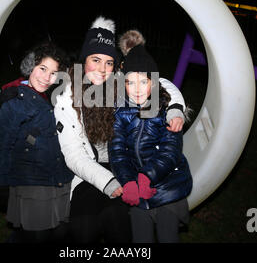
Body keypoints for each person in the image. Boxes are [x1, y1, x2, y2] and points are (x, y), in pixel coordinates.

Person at [53, 17, 188, 243]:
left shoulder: (120, 82)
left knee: (118, 222)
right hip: (87, 171)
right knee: (83, 229)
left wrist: (175, 109)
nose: (102, 69)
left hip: (124, 165)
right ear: (83, 60)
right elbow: (74, 154)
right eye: (95, 60)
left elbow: (159, 83)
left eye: (108, 63)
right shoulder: (66, 97)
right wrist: (108, 182)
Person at [109, 31, 193, 243]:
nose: (136, 90)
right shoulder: (120, 113)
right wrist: (128, 182)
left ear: (154, 83)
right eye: (130, 83)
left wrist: (147, 176)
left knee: (167, 236)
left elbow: (171, 151)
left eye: (143, 82)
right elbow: (117, 151)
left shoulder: (166, 111)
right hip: (136, 190)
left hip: (166, 186)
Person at [0, 41, 74, 243]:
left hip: (58, 180)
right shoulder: (15, 103)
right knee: (38, 235)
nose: (47, 77)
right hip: (32, 182)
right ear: (30, 67)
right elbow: (2, 148)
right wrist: (0, 185)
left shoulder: (51, 97)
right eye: (42, 69)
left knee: (59, 233)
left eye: (53, 73)